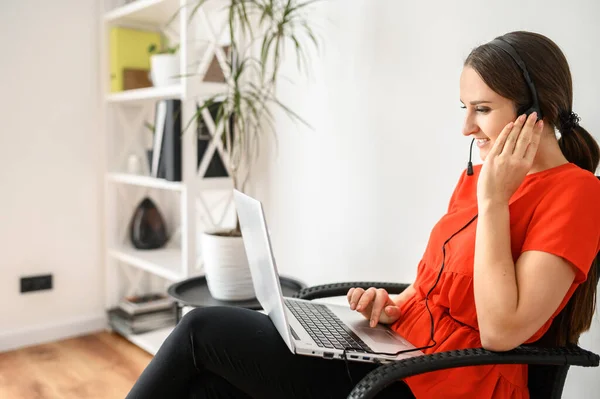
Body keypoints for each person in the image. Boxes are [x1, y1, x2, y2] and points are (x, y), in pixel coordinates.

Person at [125, 31, 600, 399]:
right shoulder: (480, 178)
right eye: (464, 108)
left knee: (202, 329)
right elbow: (433, 286)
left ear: (536, 112)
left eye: (482, 109)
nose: (465, 127)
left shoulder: (576, 195)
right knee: (207, 389)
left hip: (436, 384)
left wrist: (494, 202)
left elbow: (500, 331)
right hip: (394, 357)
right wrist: (391, 305)